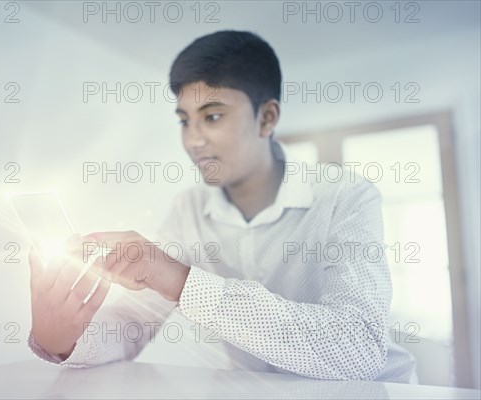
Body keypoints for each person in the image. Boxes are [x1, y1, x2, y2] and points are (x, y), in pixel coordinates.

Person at [27, 30, 417, 382]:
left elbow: (358, 349)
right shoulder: (189, 208)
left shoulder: (346, 196)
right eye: (184, 121)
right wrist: (63, 340)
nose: (193, 140)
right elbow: (133, 321)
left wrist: (180, 280)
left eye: (212, 116)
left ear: (267, 118)